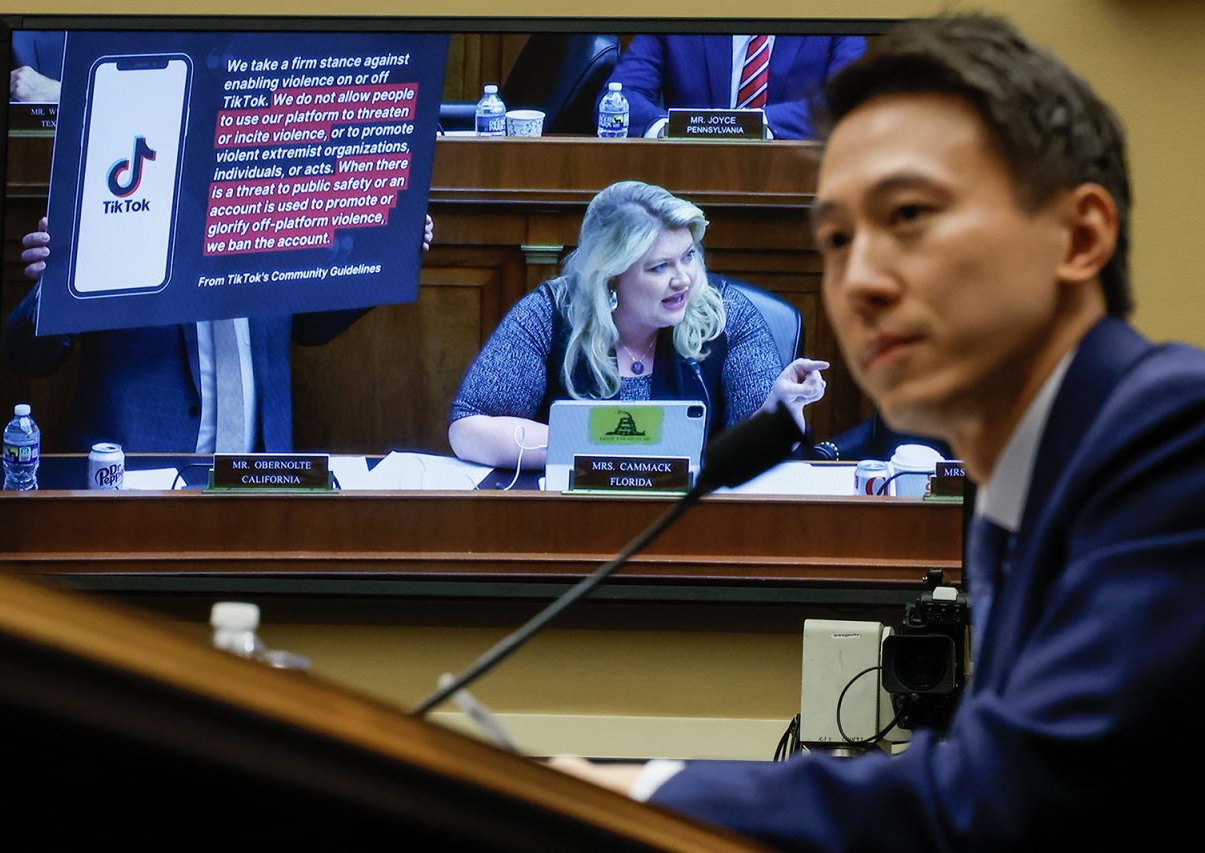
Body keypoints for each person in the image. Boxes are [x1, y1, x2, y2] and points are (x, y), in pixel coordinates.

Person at [550, 14, 1205, 849]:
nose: (858, 280)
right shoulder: (1019, 478)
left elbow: (1018, 794)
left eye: (908, 216)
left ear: (1079, 237)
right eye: (835, 238)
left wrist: (640, 790)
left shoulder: (1173, 437)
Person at [448, 181, 828, 470]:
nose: (684, 279)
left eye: (688, 257)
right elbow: (467, 430)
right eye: (660, 266)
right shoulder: (551, 313)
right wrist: (599, 448)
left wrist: (781, 410)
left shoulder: (726, 316)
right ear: (612, 276)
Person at [5, 215, 432, 452]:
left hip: (260, 483)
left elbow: (309, 325)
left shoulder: (278, 204)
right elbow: (27, 358)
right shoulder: (119, 203)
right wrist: (53, 289)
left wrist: (391, 256)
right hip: (133, 488)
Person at [605, 34, 866, 139]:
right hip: (682, 195)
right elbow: (619, 96)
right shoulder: (679, 14)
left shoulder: (833, 15)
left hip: (800, 190)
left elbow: (848, 100)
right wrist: (669, 129)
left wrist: (751, 126)